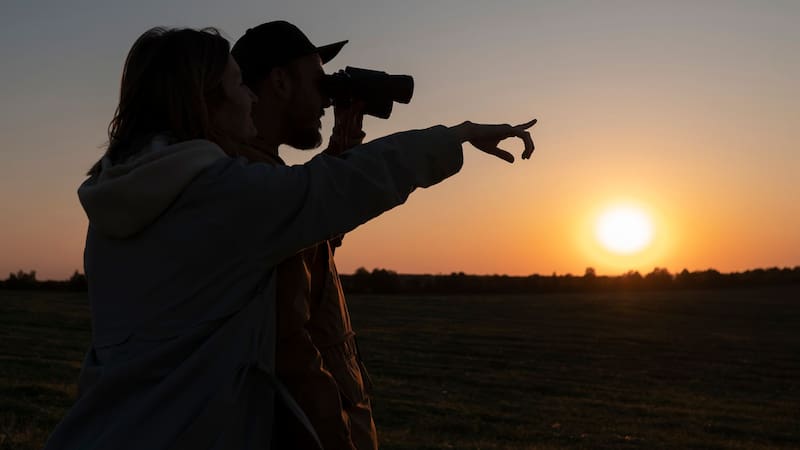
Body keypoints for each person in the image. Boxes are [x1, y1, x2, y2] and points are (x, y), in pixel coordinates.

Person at [44, 25, 536, 450]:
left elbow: (291, 220)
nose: (251, 98)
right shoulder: (222, 196)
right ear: (204, 101)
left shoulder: (124, 196)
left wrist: (344, 143)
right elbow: (327, 192)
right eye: (239, 85)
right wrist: (459, 135)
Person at [228, 20, 377, 450]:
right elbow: (294, 355)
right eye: (318, 83)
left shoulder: (261, 182)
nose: (326, 100)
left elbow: (313, 239)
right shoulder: (254, 190)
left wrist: (343, 143)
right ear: (278, 81)